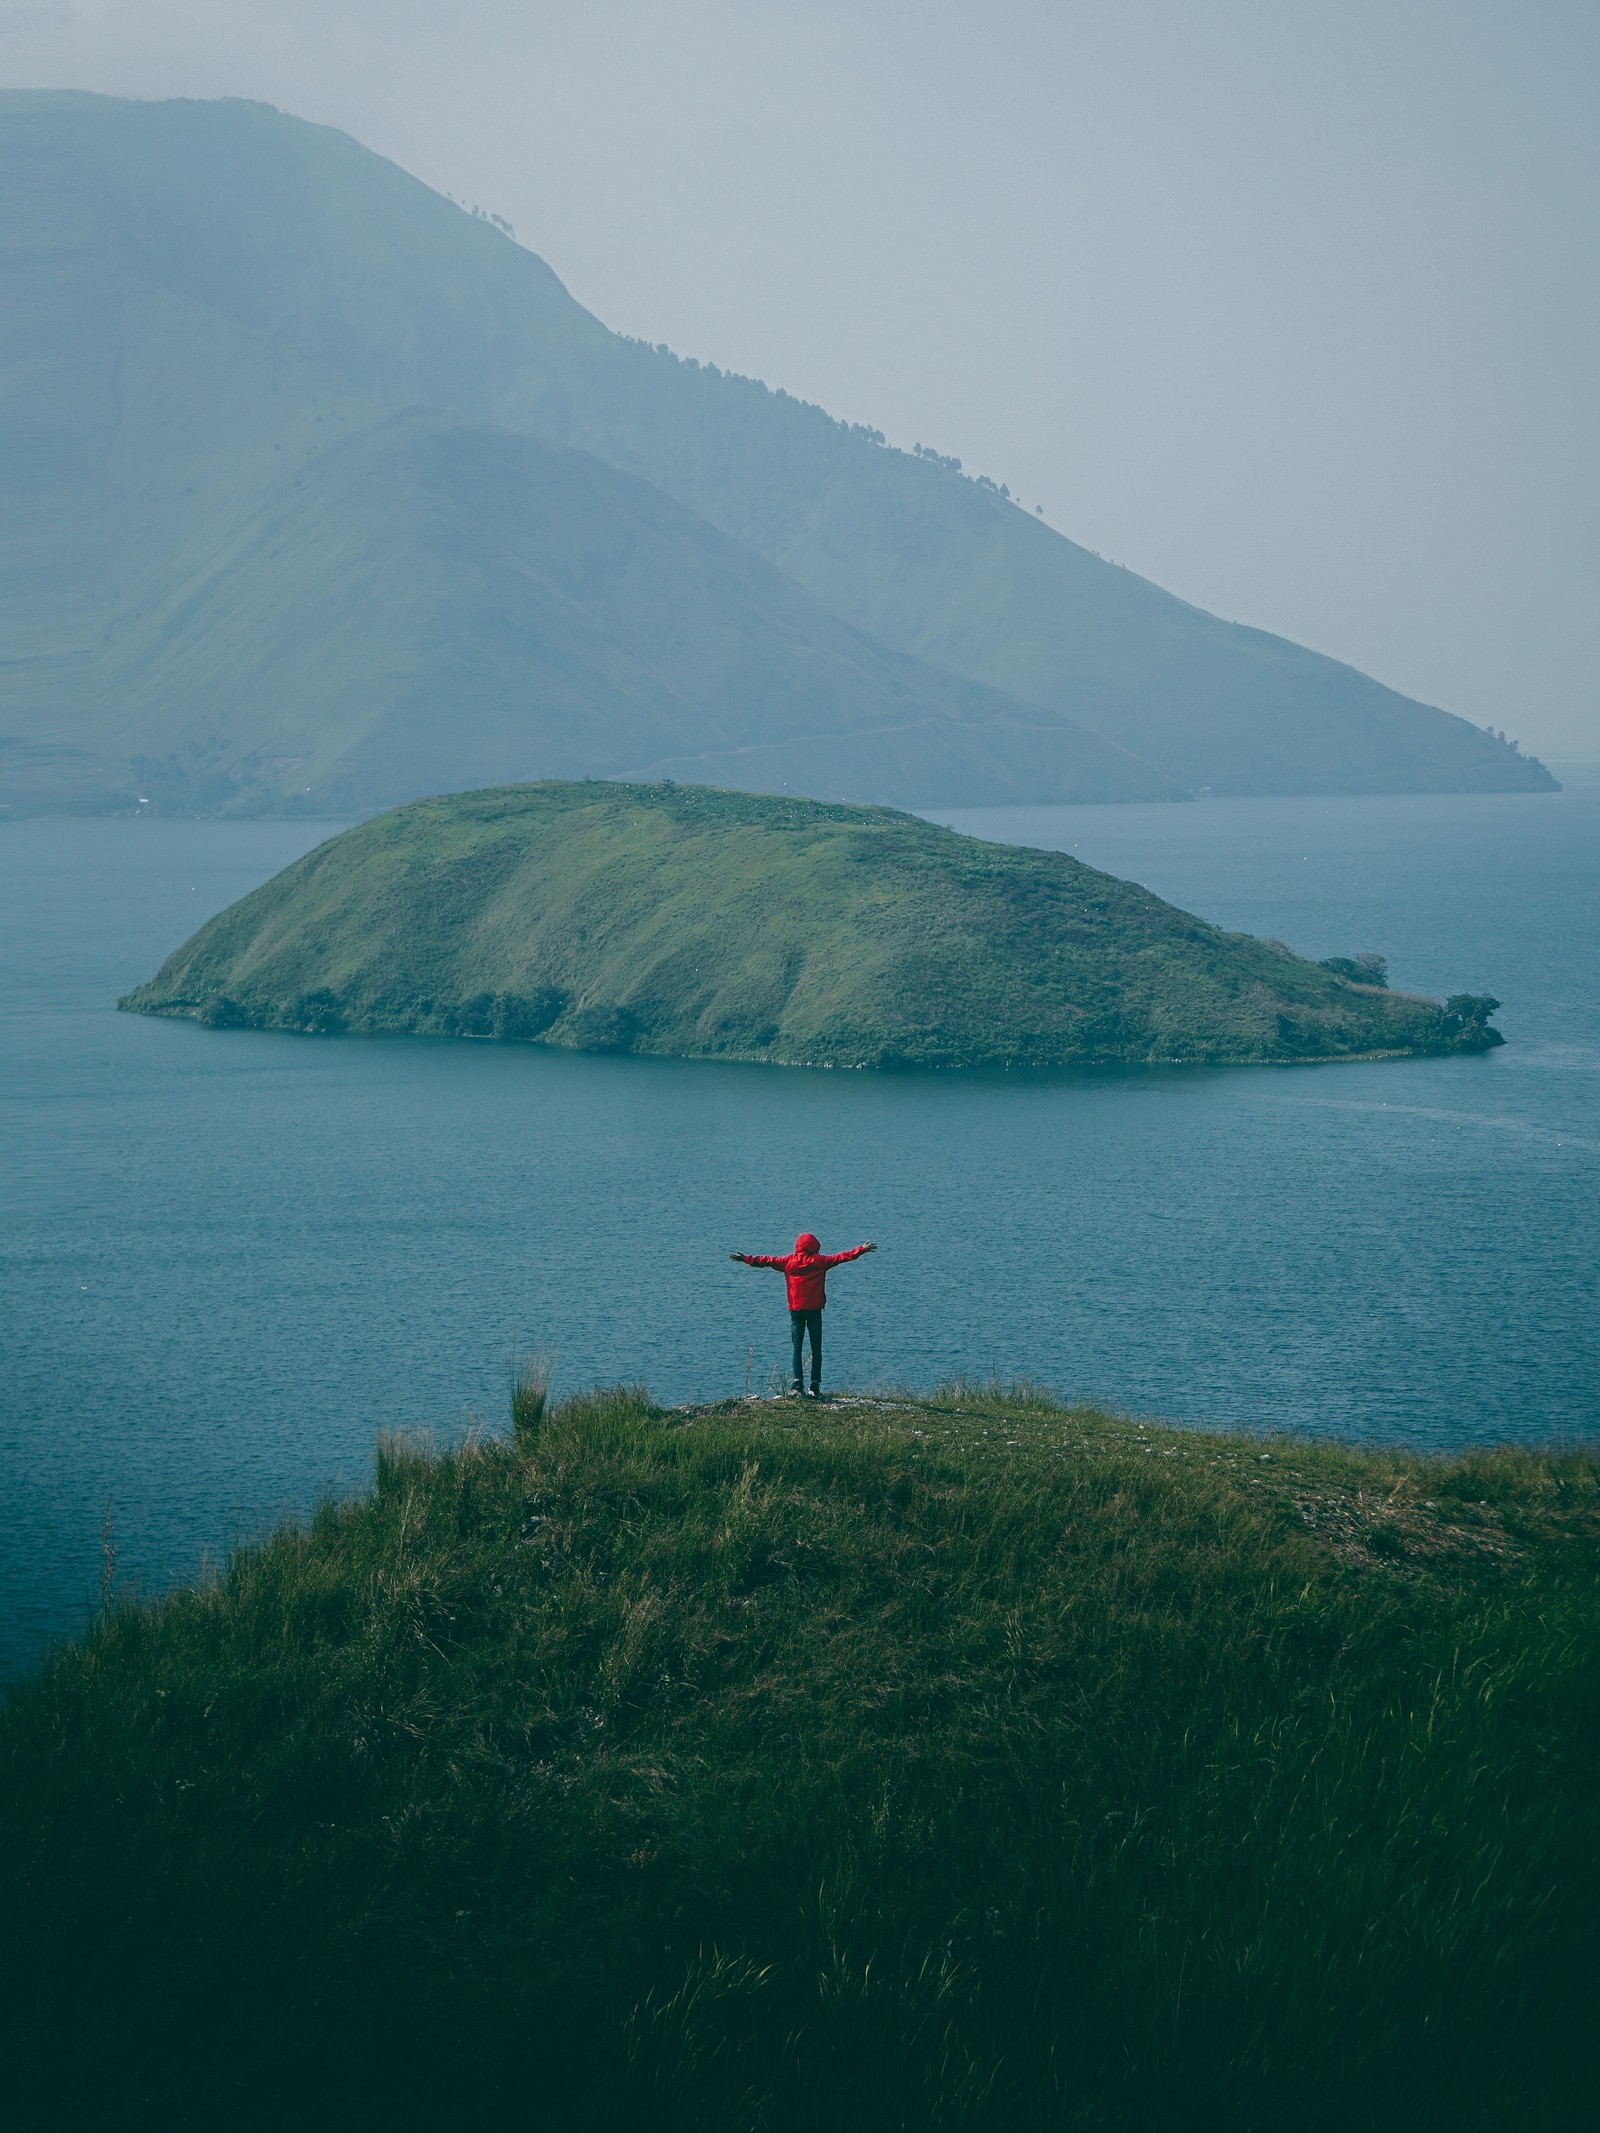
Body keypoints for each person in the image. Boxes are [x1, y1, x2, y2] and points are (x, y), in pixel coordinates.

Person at [730, 1232, 877, 1397]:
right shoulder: (820, 1262)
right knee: (816, 1348)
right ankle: (815, 1386)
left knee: (797, 1348)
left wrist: (746, 1259)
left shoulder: (788, 1262)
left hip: (796, 1311)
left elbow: (766, 1261)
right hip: (814, 1311)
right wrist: (861, 1250)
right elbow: (842, 1257)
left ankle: (797, 1383)